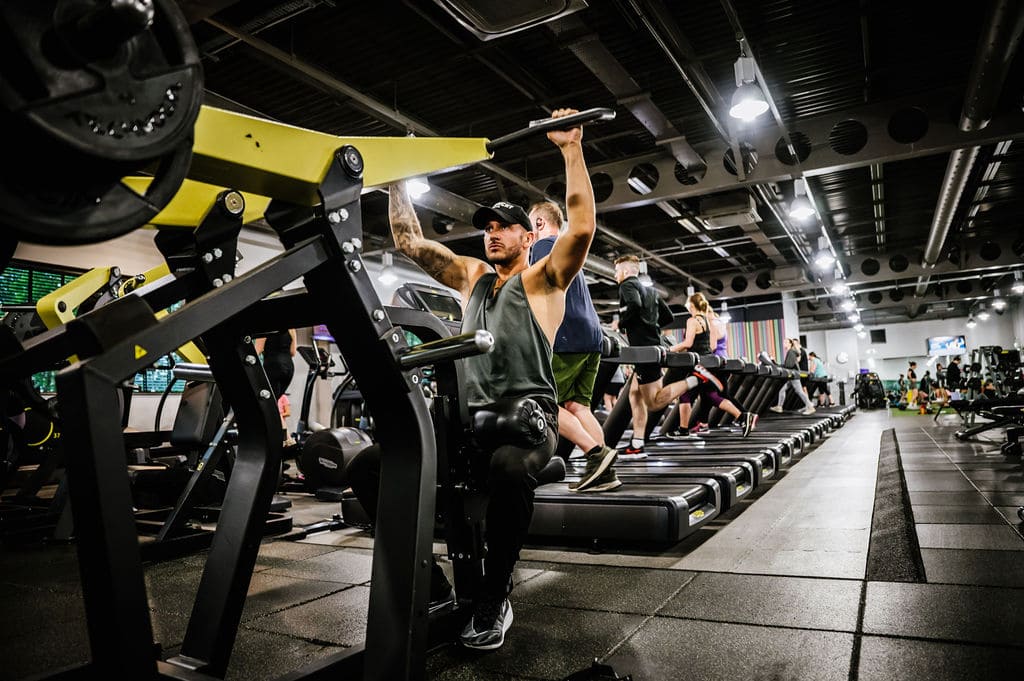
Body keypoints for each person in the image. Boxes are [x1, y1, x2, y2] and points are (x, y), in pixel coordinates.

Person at [345, 108, 599, 651]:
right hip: (465, 425)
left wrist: (570, 148)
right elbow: (410, 241)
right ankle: (433, 581)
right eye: (486, 227)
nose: (491, 234)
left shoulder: (544, 279)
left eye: (503, 226)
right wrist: (395, 181)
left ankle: (494, 597)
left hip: (526, 426)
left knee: (509, 471)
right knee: (368, 467)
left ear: (529, 235)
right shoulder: (472, 277)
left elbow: (581, 227)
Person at [528, 199, 620, 493]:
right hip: (591, 337)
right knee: (578, 406)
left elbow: (532, 292)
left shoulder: (543, 247)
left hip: (566, 337)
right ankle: (604, 469)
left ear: (539, 223)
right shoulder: (569, 250)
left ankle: (596, 456)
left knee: (546, 402)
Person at [613, 256, 715, 456]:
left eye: (616, 271)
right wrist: (651, 325)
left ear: (625, 272)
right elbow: (668, 317)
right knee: (634, 394)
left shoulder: (626, 285)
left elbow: (633, 304)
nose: (615, 275)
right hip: (650, 348)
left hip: (643, 351)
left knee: (654, 402)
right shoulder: (651, 291)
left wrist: (622, 324)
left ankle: (696, 380)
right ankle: (637, 443)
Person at [665, 293, 755, 438]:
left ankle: (683, 430)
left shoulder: (692, 321)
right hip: (709, 364)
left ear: (691, 306)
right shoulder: (709, 321)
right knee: (711, 395)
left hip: (698, 364)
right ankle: (743, 417)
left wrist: (668, 350)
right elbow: (713, 346)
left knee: (685, 394)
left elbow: (688, 343)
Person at [254, 328, 297, 444]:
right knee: (273, 404)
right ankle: (286, 440)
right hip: (289, 368)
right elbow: (293, 352)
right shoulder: (291, 329)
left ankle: (278, 441)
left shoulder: (266, 325)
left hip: (274, 366)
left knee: (268, 406)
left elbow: (256, 351)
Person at [769, 339, 816, 414]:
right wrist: (775, 363)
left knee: (799, 391)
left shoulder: (791, 352)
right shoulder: (791, 352)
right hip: (791, 375)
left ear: (790, 344)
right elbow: (788, 365)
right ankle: (779, 407)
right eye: (783, 342)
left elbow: (788, 366)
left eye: (785, 342)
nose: (783, 343)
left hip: (793, 375)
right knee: (782, 390)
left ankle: (810, 407)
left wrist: (775, 364)